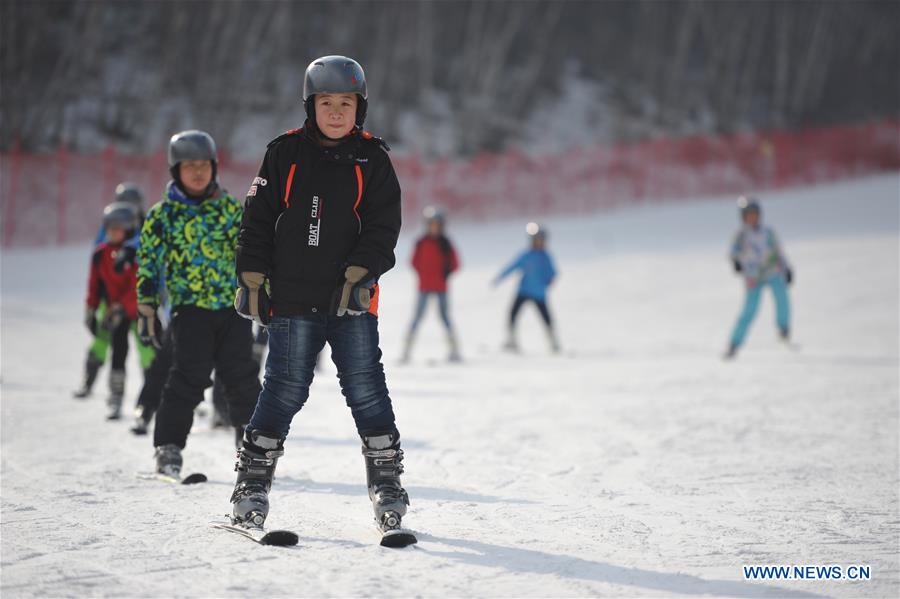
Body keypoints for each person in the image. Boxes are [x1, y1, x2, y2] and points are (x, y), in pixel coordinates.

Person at [232, 55, 411, 539]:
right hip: (291, 298)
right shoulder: (284, 153)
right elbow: (257, 220)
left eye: (346, 103)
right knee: (284, 389)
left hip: (351, 300)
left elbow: (384, 225)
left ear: (360, 108)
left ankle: (387, 484)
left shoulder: (373, 159)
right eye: (326, 103)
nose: (336, 112)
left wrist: (364, 270)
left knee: (365, 386)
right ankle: (251, 483)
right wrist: (250, 275)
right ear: (311, 107)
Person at [136, 130, 261, 477]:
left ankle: (253, 446)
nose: (197, 172)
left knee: (242, 377)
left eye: (203, 165)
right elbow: (148, 263)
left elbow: (251, 253)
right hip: (190, 311)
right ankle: (168, 446)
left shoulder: (229, 209)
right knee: (188, 376)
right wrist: (147, 305)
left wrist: (261, 290)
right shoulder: (163, 216)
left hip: (233, 307)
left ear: (214, 167)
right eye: (189, 166)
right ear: (176, 170)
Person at [74, 183, 155, 398]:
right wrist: (93, 306)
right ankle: (89, 380)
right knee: (102, 338)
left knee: (147, 345)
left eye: (132, 205)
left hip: (138, 300)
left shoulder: (146, 228)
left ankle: (155, 390)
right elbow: (99, 266)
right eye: (123, 204)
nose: (127, 210)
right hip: (109, 298)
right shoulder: (108, 231)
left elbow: (150, 269)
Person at [83, 201, 141, 419]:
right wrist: (91, 308)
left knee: (148, 352)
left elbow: (138, 286)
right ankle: (114, 396)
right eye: (110, 227)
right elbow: (94, 284)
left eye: (119, 228)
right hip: (111, 310)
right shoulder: (100, 254)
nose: (113, 232)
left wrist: (122, 307)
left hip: (135, 310)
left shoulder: (135, 253)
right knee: (113, 349)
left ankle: (155, 396)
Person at [725, 196, 793, 358]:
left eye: (755, 215)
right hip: (753, 276)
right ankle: (734, 343)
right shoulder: (741, 235)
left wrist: (787, 269)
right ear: (743, 217)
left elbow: (778, 252)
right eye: (749, 215)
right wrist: (736, 262)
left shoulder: (768, 233)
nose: (752, 218)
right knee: (750, 310)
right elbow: (733, 252)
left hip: (772, 271)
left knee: (782, 298)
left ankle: (783, 328)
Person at [401, 206, 461, 363]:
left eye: (437, 224)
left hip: (441, 287)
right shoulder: (421, 243)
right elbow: (413, 262)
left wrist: (444, 274)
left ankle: (454, 350)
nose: (434, 228)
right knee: (417, 318)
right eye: (431, 224)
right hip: (424, 287)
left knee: (445, 318)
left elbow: (455, 263)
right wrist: (424, 275)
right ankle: (406, 351)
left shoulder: (446, 244)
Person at [493, 222, 560, 353]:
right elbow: (512, 266)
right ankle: (512, 340)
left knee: (546, 318)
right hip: (523, 291)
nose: (538, 243)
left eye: (541, 240)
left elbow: (553, 273)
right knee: (512, 315)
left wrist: (548, 281)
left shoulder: (545, 257)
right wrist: (500, 277)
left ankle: (553, 342)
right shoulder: (526, 255)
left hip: (539, 293)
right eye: (536, 240)